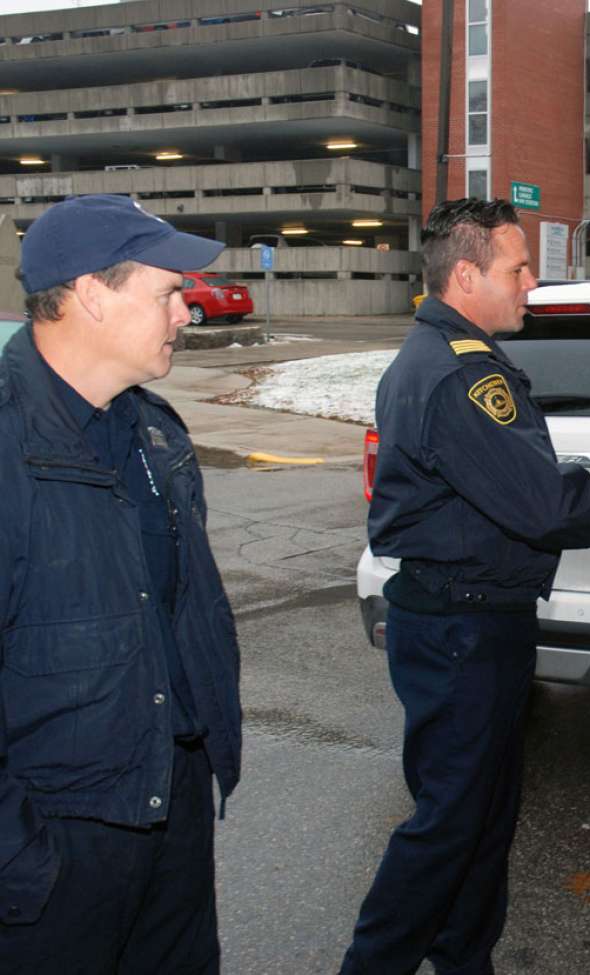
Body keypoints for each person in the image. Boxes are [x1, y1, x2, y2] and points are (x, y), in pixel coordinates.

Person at [338, 198, 590, 975]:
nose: (530, 281)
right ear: (467, 274)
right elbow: (539, 499)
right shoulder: (460, 374)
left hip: (469, 623)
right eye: (517, 268)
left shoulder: (444, 357)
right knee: (450, 824)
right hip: (462, 632)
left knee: (480, 819)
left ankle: (463, 960)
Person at [0, 195, 241, 972]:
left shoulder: (156, 431)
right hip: (55, 844)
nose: (188, 313)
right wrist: (20, 855)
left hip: (169, 805)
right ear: (92, 294)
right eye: (169, 291)